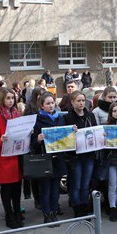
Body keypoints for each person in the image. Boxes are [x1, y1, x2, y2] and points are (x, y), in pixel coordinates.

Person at [31, 92, 68, 225]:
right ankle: (47, 214)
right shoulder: (37, 120)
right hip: (45, 159)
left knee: (55, 189)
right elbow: (32, 143)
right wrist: (38, 139)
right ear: (42, 106)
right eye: (47, 103)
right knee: (46, 189)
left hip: (58, 158)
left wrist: (71, 132)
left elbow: (65, 136)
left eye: (52, 103)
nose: (51, 105)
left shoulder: (60, 118)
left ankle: (54, 211)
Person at [0, 87, 24, 229]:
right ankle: (9, 215)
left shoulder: (17, 113)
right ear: (2, 100)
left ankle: (17, 212)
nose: (11, 101)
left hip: (17, 155)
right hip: (5, 156)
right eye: (8, 98)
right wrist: (1, 139)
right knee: (7, 188)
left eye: (12, 98)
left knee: (17, 187)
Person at [64, 91, 97, 216]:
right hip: (75, 156)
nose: (81, 103)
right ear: (72, 102)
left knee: (86, 184)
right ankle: (77, 208)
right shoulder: (67, 118)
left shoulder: (90, 116)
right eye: (78, 100)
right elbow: (65, 138)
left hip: (88, 155)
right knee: (76, 184)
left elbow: (95, 131)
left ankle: (85, 206)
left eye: (83, 100)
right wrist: (70, 132)